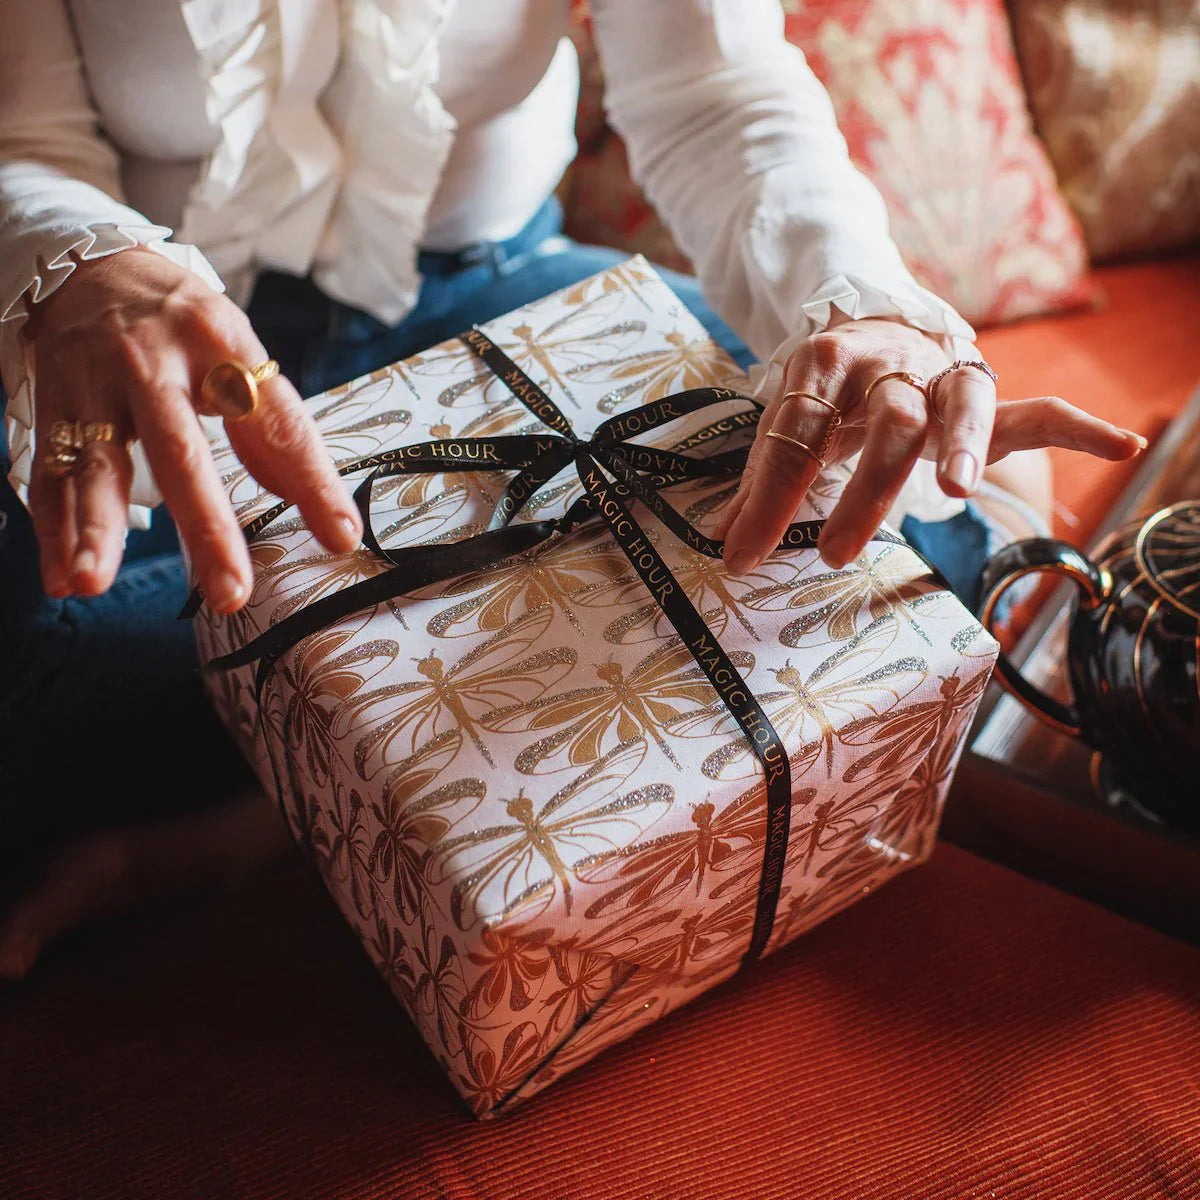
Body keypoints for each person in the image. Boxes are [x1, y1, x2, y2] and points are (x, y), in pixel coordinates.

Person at [0, 1, 1142, 979]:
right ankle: (368, 773)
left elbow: (713, 90)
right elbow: (24, 137)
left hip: (507, 308)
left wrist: (863, 306)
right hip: (139, 344)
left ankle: (280, 805)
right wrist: (85, 266)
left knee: (908, 529)